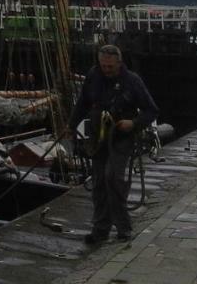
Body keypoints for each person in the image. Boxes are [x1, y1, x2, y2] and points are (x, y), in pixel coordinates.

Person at [64, 44, 159, 245]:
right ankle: (100, 229)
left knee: (113, 177)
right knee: (98, 182)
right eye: (103, 66)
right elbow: (83, 102)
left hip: (121, 137)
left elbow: (151, 110)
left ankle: (123, 227)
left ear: (119, 63)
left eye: (110, 67)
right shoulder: (94, 75)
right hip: (98, 136)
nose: (106, 70)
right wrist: (71, 125)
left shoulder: (132, 81)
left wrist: (134, 123)